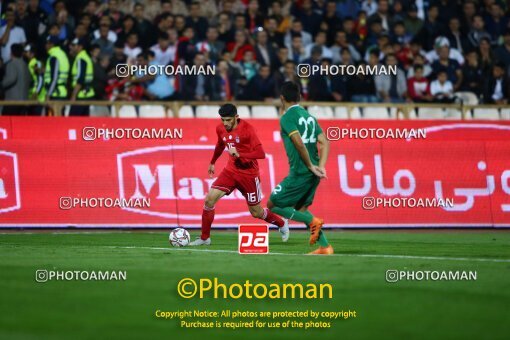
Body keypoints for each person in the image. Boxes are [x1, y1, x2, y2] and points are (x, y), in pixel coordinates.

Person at [188, 103, 289, 246]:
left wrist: (240, 153)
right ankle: (205, 238)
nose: (225, 123)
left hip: (249, 175)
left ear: (236, 117)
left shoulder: (248, 130)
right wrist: (212, 162)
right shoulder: (221, 129)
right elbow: (220, 144)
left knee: (256, 212)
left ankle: (281, 223)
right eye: (223, 120)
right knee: (209, 200)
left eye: (228, 120)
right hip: (230, 171)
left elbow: (261, 153)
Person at [267, 81, 332, 255]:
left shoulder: (287, 118)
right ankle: (325, 247)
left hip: (301, 172)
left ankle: (313, 222)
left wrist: (310, 165)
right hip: (313, 173)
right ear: (300, 97)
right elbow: (324, 142)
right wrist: (321, 167)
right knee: (302, 209)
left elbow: (298, 143)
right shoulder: (309, 117)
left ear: (282, 98)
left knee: (273, 204)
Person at [1, 43, 30, 115]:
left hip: (13, 101)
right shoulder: (25, 64)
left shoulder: (12, 64)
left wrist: (1, 84)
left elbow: (11, 79)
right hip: (24, 100)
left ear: (11, 53)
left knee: (7, 123)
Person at [69, 38, 95, 116]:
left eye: (74, 45)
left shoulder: (81, 59)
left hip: (81, 95)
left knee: (73, 121)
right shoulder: (85, 57)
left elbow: (80, 78)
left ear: (80, 47)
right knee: (84, 122)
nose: (71, 47)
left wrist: (73, 95)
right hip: (86, 93)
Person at [44, 35, 70, 103]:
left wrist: (48, 95)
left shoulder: (54, 56)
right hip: (62, 92)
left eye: (47, 43)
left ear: (52, 44)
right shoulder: (62, 54)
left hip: (55, 94)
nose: (45, 45)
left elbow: (54, 78)